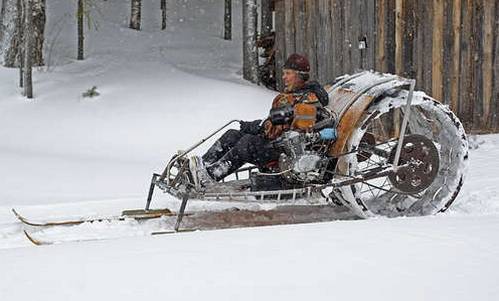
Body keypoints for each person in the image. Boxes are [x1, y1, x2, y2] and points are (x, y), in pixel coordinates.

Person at [189, 53, 330, 189]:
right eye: (284, 73)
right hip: (278, 145)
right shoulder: (294, 96)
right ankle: (202, 167)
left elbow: (284, 130)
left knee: (248, 143)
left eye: (288, 73)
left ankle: (209, 176)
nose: (284, 77)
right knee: (232, 134)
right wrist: (255, 126)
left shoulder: (307, 99)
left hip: (286, 155)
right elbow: (274, 122)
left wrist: (257, 127)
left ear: (299, 75)